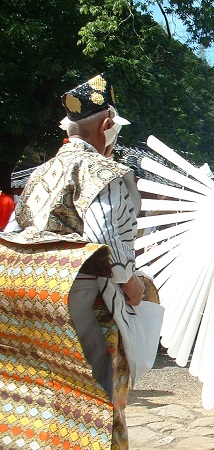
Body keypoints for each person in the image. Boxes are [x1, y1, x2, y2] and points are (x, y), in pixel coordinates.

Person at [0, 73, 163, 449]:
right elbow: (105, 234)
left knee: (39, 394)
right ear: (107, 124)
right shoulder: (104, 171)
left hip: (28, 298)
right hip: (81, 298)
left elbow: (15, 228)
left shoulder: (41, 172)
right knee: (96, 397)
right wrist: (131, 285)